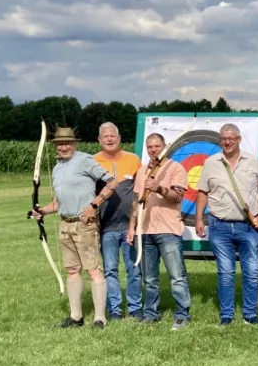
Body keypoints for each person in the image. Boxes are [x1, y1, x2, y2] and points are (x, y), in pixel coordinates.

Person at [30, 127, 119, 328]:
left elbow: (113, 183)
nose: (63, 147)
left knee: (93, 270)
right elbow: (59, 201)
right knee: (71, 270)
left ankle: (99, 318)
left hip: (85, 224)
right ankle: (76, 316)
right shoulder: (57, 168)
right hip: (65, 223)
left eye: (67, 143)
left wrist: (93, 206)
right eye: (60, 144)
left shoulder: (84, 160)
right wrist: (43, 211)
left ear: (74, 143)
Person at [195, 124, 258, 325]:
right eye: (223, 138)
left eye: (231, 138)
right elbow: (203, 192)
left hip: (249, 227)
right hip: (220, 226)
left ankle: (250, 314)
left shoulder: (255, 162)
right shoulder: (211, 163)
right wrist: (198, 219)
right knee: (226, 273)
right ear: (220, 140)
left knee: (252, 272)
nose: (227, 142)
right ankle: (227, 315)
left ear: (239, 139)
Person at [127, 133, 192, 329]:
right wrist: (132, 227)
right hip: (145, 230)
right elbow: (136, 202)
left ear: (164, 147)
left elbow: (177, 196)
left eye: (157, 146)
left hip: (168, 229)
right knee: (149, 278)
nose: (153, 150)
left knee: (176, 275)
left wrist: (158, 188)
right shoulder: (141, 171)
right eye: (150, 147)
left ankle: (182, 314)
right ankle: (151, 313)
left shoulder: (175, 168)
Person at [93, 122, 143, 320]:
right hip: (107, 227)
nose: (109, 139)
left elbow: (140, 190)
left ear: (119, 138)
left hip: (130, 226)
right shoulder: (92, 161)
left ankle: (135, 308)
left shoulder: (133, 159)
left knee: (134, 269)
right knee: (110, 270)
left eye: (113, 135)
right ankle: (114, 309)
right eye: (105, 136)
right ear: (99, 140)